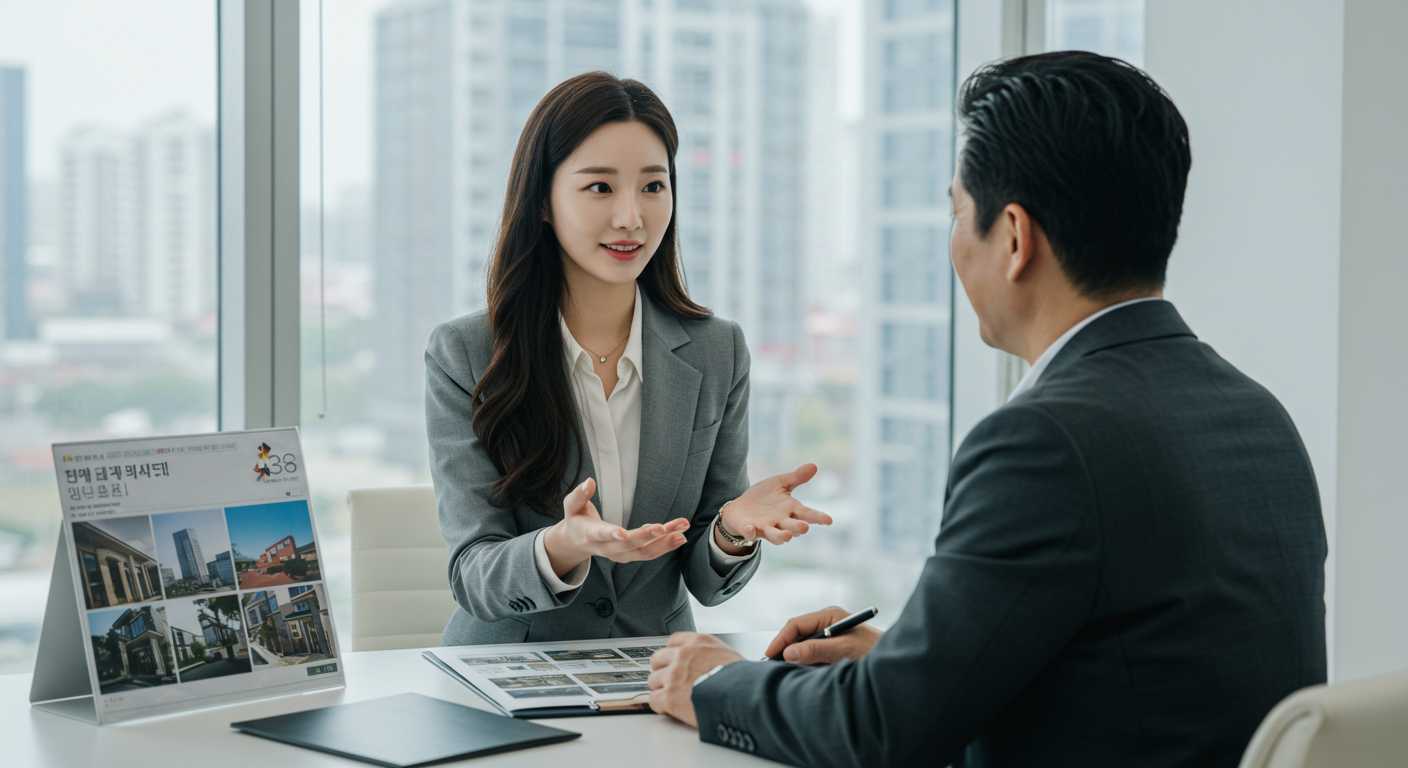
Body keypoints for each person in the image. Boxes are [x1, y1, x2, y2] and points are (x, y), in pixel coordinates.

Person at [647, 52, 1327, 767]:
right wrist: (905, 668)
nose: (953, 242)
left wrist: (716, 682)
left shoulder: (1047, 441)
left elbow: (882, 733)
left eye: (956, 214)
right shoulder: (1258, 417)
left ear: (1012, 238)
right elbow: (1151, 681)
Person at [425, 72, 832, 646]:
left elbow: (707, 581)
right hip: (507, 674)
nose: (631, 218)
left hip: (656, 672)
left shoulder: (718, 351)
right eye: (599, 188)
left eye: (652, 186)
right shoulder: (467, 355)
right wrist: (564, 545)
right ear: (542, 199)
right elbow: (474, 575)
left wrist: (733, 532)